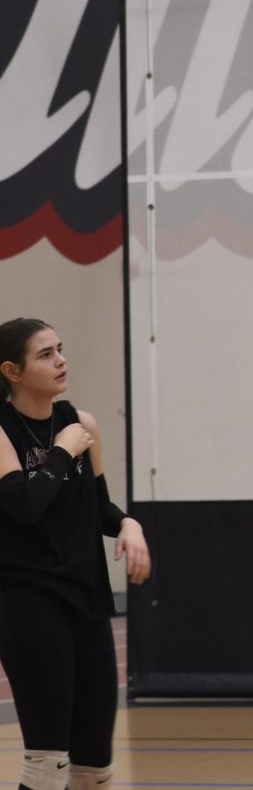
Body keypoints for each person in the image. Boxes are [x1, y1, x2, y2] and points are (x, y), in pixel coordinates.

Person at [0, 318, 151, 790]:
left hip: (86, 599)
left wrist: (129, 523)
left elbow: (98, 507)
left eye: (60, 349)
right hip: (28, 602)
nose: (61, 360)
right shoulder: (4, 432)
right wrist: (62, 452)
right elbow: (23, 507)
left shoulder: (83, 424)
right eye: (45, 354)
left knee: (95, 770)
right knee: (48, 766)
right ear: (12, 370)